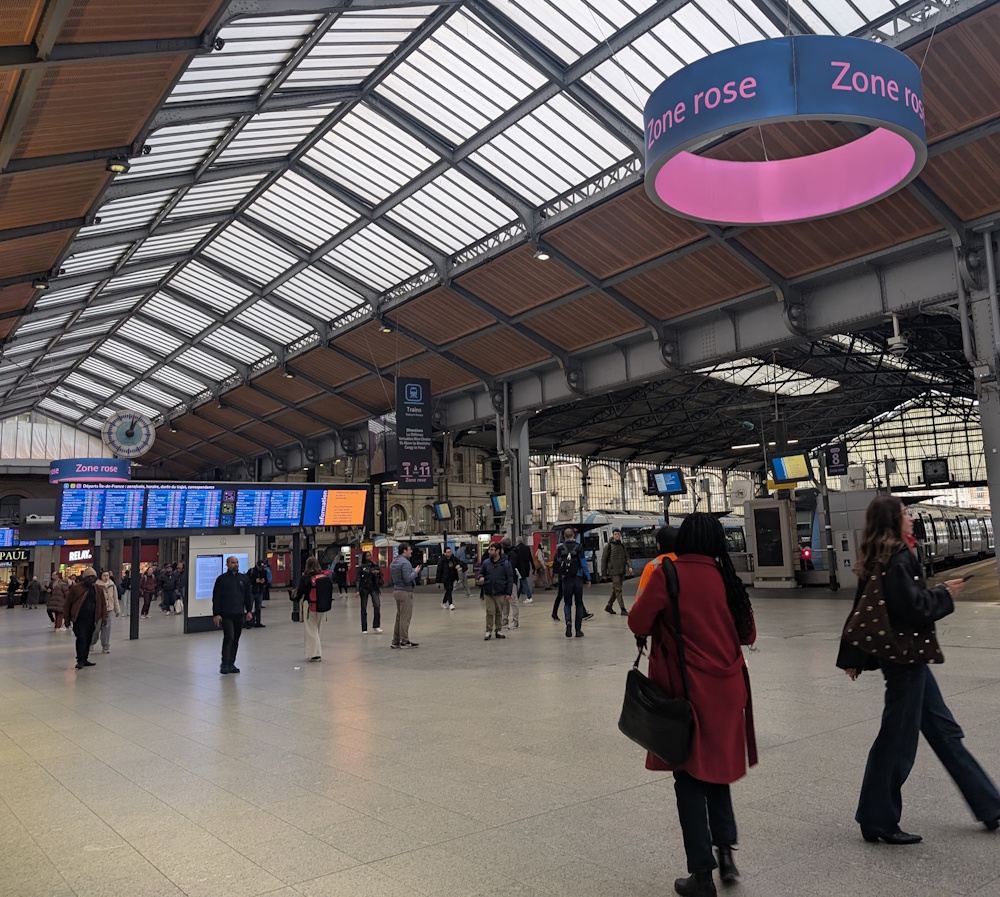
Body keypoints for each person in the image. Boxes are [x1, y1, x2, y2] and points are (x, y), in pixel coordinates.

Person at [837, 496, 1000, 843]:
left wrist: (854, 657)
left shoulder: (882, 555)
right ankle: (877, 820)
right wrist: (944, 594)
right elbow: (911, 609)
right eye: (905, 514)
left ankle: (990, 804)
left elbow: (863, 609)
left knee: (944, 731)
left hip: (907, 661)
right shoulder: (898, 558)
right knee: (897, 742)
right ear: (894, 521)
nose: (911, 518)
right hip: (904, 662)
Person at [628, 513, 757, 897]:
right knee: (716, 772)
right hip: (729, 691)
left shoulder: (669, 575)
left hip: (687, 693)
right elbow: (748, 633)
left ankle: (702, 875)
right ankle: (727, 857)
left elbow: (638, 621)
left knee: (688, 779)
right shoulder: (726, 578)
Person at [212, 556, 252, 674]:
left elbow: (248, 596)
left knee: (236, 639)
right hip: (226, 614)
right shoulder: (222, 579)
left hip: (239, 613)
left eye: (237, 562)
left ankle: (231, 663)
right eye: (233, 562)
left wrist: (249, 610)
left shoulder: (243, 578)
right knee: (229, 637)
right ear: (227, 564)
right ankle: (224, 663)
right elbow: (217, 597)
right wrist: (216, 614)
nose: (235, 564)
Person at [65, 567, 105, 670]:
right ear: (84, 578)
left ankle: (85, 658)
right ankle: (80, 660)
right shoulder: (76, 588)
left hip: (91, 619)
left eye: (93, 577)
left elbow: (103, 604)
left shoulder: (98, 589)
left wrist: (104, 617)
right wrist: (67, 619)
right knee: (81, 638)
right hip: (79, 619)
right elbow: (68, 604)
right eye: (89, 577)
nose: (91, 579)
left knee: (88, 639)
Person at [554, 527, 591, 638]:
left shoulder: (560, 548)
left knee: (567, 603)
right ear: (573, 536)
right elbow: (584, 564)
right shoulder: (579, 547)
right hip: (578, 578)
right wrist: (588, 578)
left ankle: (568, 622)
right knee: (579, 604)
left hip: (566, 579)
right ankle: (578, 630)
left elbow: (557, 562)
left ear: (564, 536)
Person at [296, 557, 333, 661]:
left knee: (311, 630)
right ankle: (317, 651)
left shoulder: (306, 578)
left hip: (310, 605)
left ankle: (315, 654)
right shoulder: (323, 577)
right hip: (322, 606)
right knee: (318, 629)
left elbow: (300, 593)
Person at [477, 542, 511, 641]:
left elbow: (510, 578)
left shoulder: (505, 563)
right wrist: (480, 577)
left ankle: (498, 630)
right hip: (488, 591)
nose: (489, 552)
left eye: (492, 550)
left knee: (499, 612)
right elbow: (481, 572)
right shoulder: (486, 563)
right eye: (489, 550)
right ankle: (488, 631)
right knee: (490, 612)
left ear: (497, 551)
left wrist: (508, 592)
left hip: (500, 591)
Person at [388, 543, 420, 649]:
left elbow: (391, 579)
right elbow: (407, 578)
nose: (411, 552)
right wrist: (415, 572)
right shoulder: (405, 563)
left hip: (396, 590)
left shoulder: (394, 562)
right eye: (410, 549)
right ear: (404, 550)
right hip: (405, 592)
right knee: (405, 618)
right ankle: (405, 641)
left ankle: (395, 640)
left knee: (399, 617)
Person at [602, 527, 632, 616]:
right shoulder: (609, 546)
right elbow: (604, 560)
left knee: (616, 589)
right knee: (618, 590)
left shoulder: (622, 546)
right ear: (613, 535)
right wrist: (604, 573)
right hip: (613, 571)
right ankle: (622, 608)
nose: (617, 536)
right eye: (615, 534)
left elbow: (627, 557)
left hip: (621, 571)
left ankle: (609, 606)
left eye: (618, 534)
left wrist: (630, 566)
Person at [92, 571, 121, 654]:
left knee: (107, 628)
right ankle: (91, 642)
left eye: (107, 575)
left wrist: (117, 610)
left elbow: (115, 598)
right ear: (100, 576)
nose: (106, 577)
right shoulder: (96, 585)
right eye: (104, 575)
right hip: (99, 610)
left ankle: (105, 646)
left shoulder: (112, 585)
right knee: (96, 628)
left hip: (109, 609)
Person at [356, 550, 382, 634]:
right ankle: (364, 628)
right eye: (367, 556)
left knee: (377, 605)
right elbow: (358, 579)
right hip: (364, 587)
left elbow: (381, 575)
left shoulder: (375, 565)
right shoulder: (361, 567)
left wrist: (377, 573)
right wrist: (357, 590)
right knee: (363, 607)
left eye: (370, 555)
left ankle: (376, 625)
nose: (369, 557)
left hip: (374, 587)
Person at [500, 538, 520, 630]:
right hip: (504, 580)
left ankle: (515, 621)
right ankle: (505, 619)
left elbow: (511, 568)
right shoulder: (505, 554)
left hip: (511, 581)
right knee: (505, 601)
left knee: (513, 601)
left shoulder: (512, 554)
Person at [248, 559, 268, 628]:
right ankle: (249, 622)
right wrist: (254, 581)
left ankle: (258, 622)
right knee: (249, 607)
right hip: (252, 591)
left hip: (260, 591)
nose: (260, 569)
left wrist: (263, 581)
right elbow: (247, 580)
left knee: (258, 607)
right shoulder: (252, 571)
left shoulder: (264, 572)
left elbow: (266, 581)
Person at [514, 536, 534, 604]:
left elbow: (516, 559)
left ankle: (529, 597)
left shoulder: (517, 549)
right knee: (522, 582)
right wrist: (533, 567)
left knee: (524, 581)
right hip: (527, 567)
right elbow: (531, 558)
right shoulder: (527, 548)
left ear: (518, 542)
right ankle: (517, 596)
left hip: (520, 568)